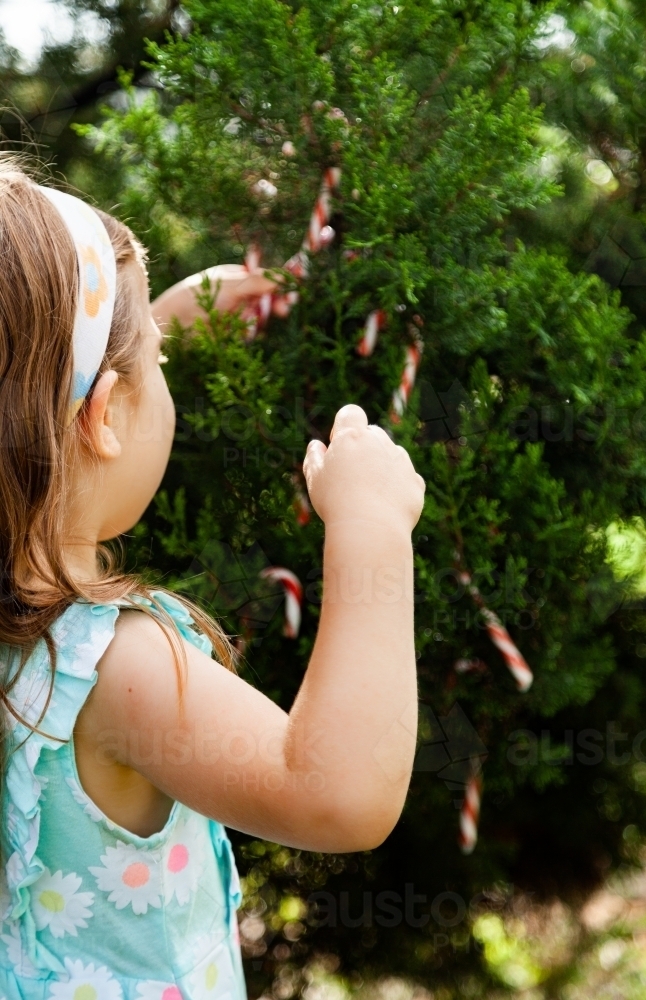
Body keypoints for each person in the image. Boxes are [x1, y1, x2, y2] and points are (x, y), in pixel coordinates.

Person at [0, 163, 425, 998]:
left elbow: (49, 457)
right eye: (152, 363)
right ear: (101, 413)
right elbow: (338, 793)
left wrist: (161, 327)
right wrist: (371, 530)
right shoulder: (115, 672)